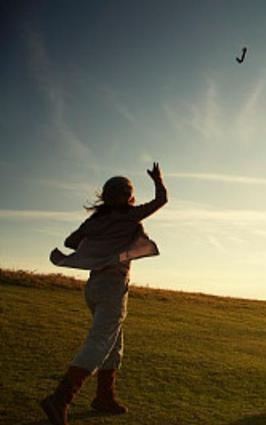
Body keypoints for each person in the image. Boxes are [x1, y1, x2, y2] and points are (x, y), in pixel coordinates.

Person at [41, 163, 168, 425]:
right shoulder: (130, 216)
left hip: (94, 286)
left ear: (105, 196)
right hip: (112, 287)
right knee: (100, 343)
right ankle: (60, 399)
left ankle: (104, 398)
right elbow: (161, 199)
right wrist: (158, 179)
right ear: (129, 196)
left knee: (114, 344)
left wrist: (97, 245)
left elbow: (70, 242)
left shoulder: (95, 220)